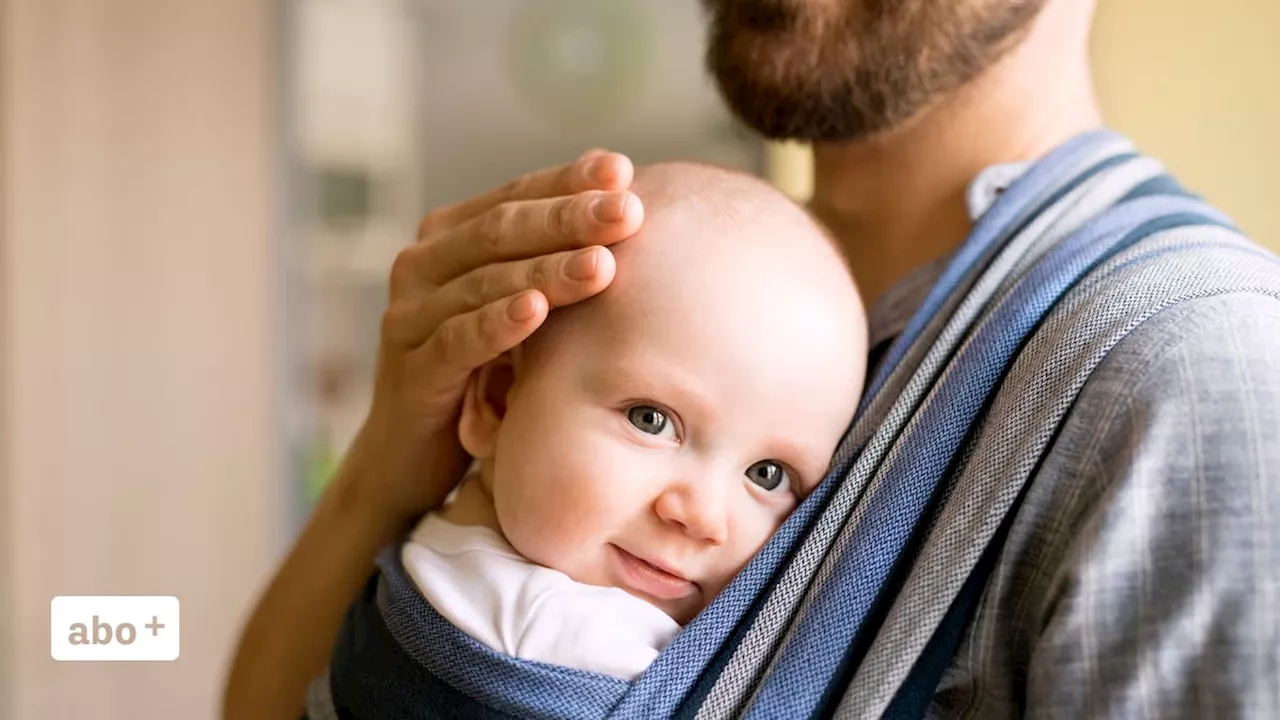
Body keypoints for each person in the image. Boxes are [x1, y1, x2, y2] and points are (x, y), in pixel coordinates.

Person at [224, 0, 1280, 717]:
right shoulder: (651, 276)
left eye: (769, 476)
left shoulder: (1190, 369)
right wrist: (384, 476)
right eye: (649, 421)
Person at [396, 161, 865, 681]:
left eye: (767, 475)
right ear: (501, 400)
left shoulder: (439, 550)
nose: (703, 516)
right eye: (652, 420)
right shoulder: (563, 636)